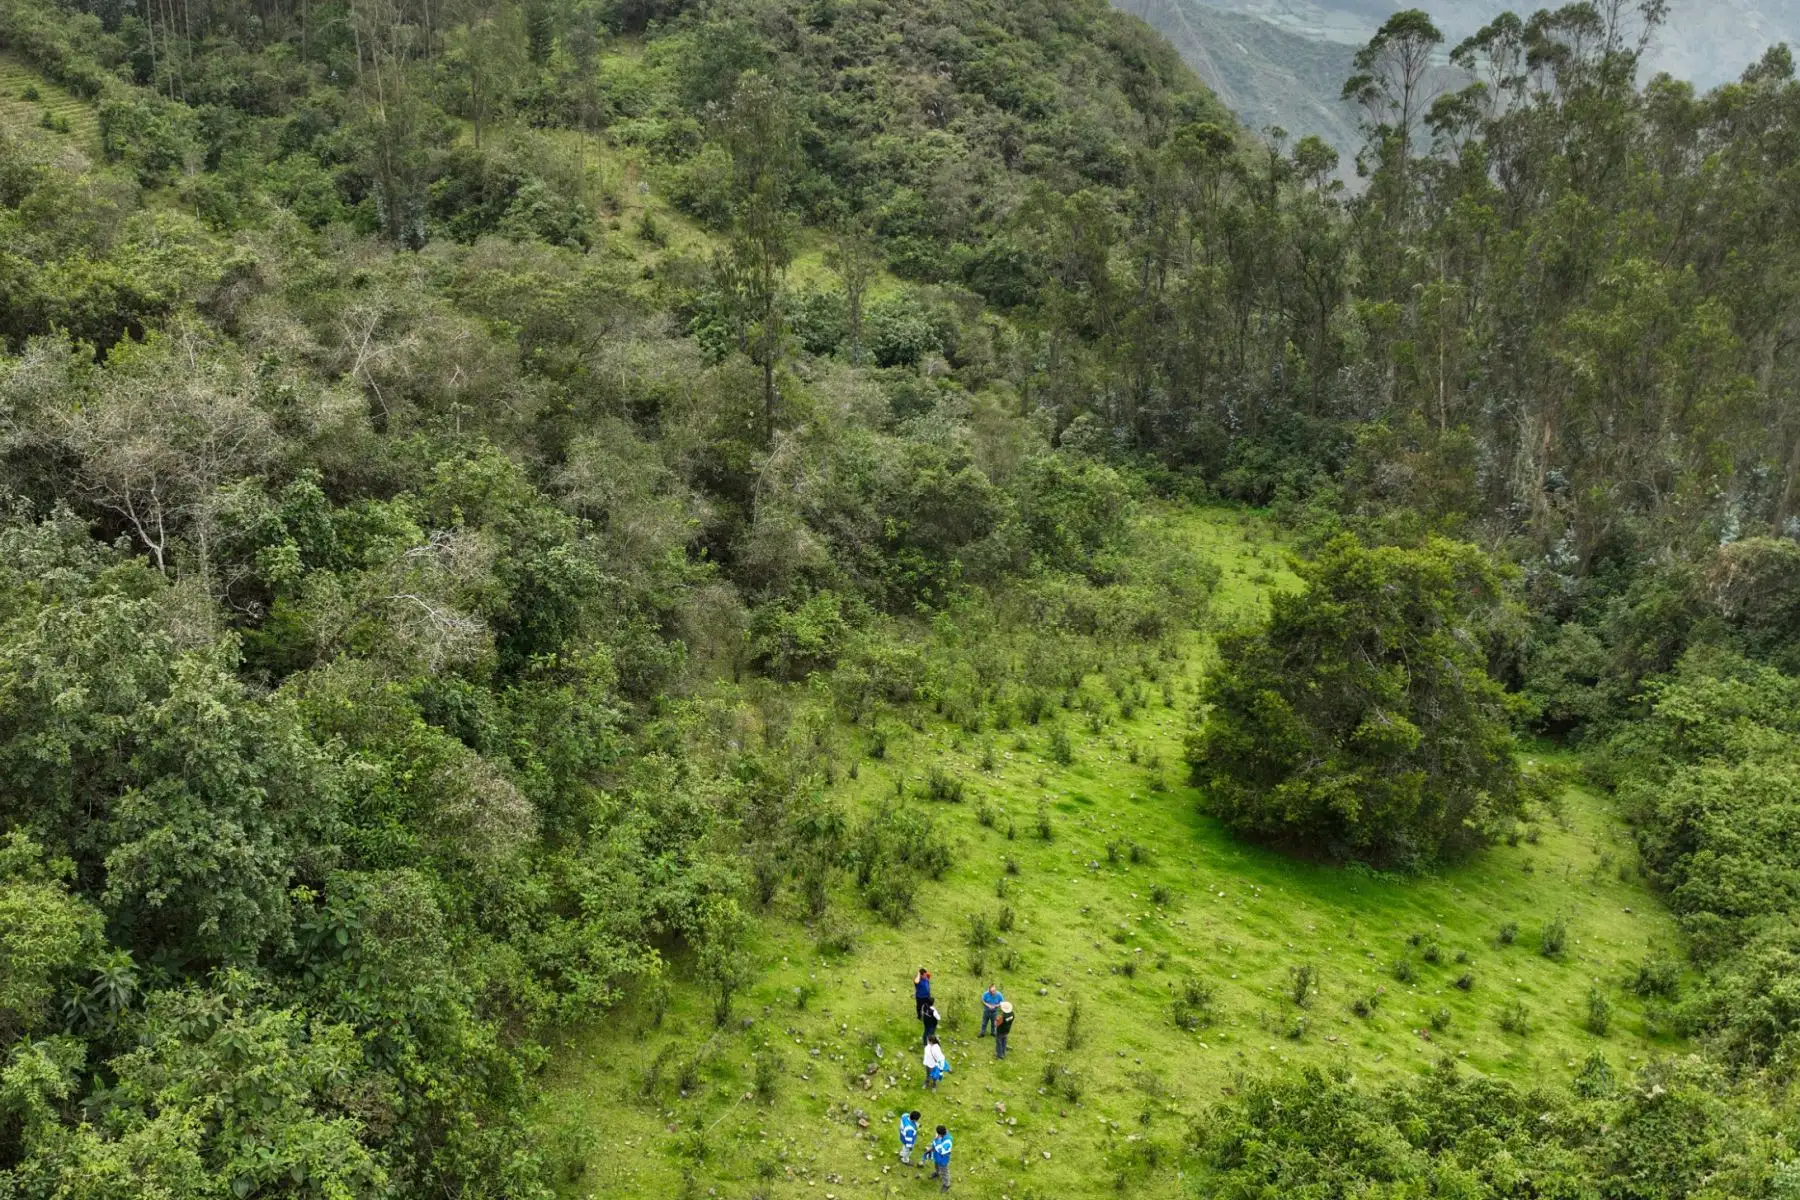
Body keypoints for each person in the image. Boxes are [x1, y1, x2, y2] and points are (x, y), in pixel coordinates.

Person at [929, 1124, 953, 1192]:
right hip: (937, 1156)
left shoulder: (948, 1142)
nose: (936, 1134)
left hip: (943, 1159)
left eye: (937, 1133)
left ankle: (946, 1184)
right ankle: (937, 1173)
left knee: (944, 1171)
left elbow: (942, 1151)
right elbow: (935, 1142)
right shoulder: (939, 1136)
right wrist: (932, 1148)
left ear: (940, 1134)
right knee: (936, 1166)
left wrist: (937, 1142)